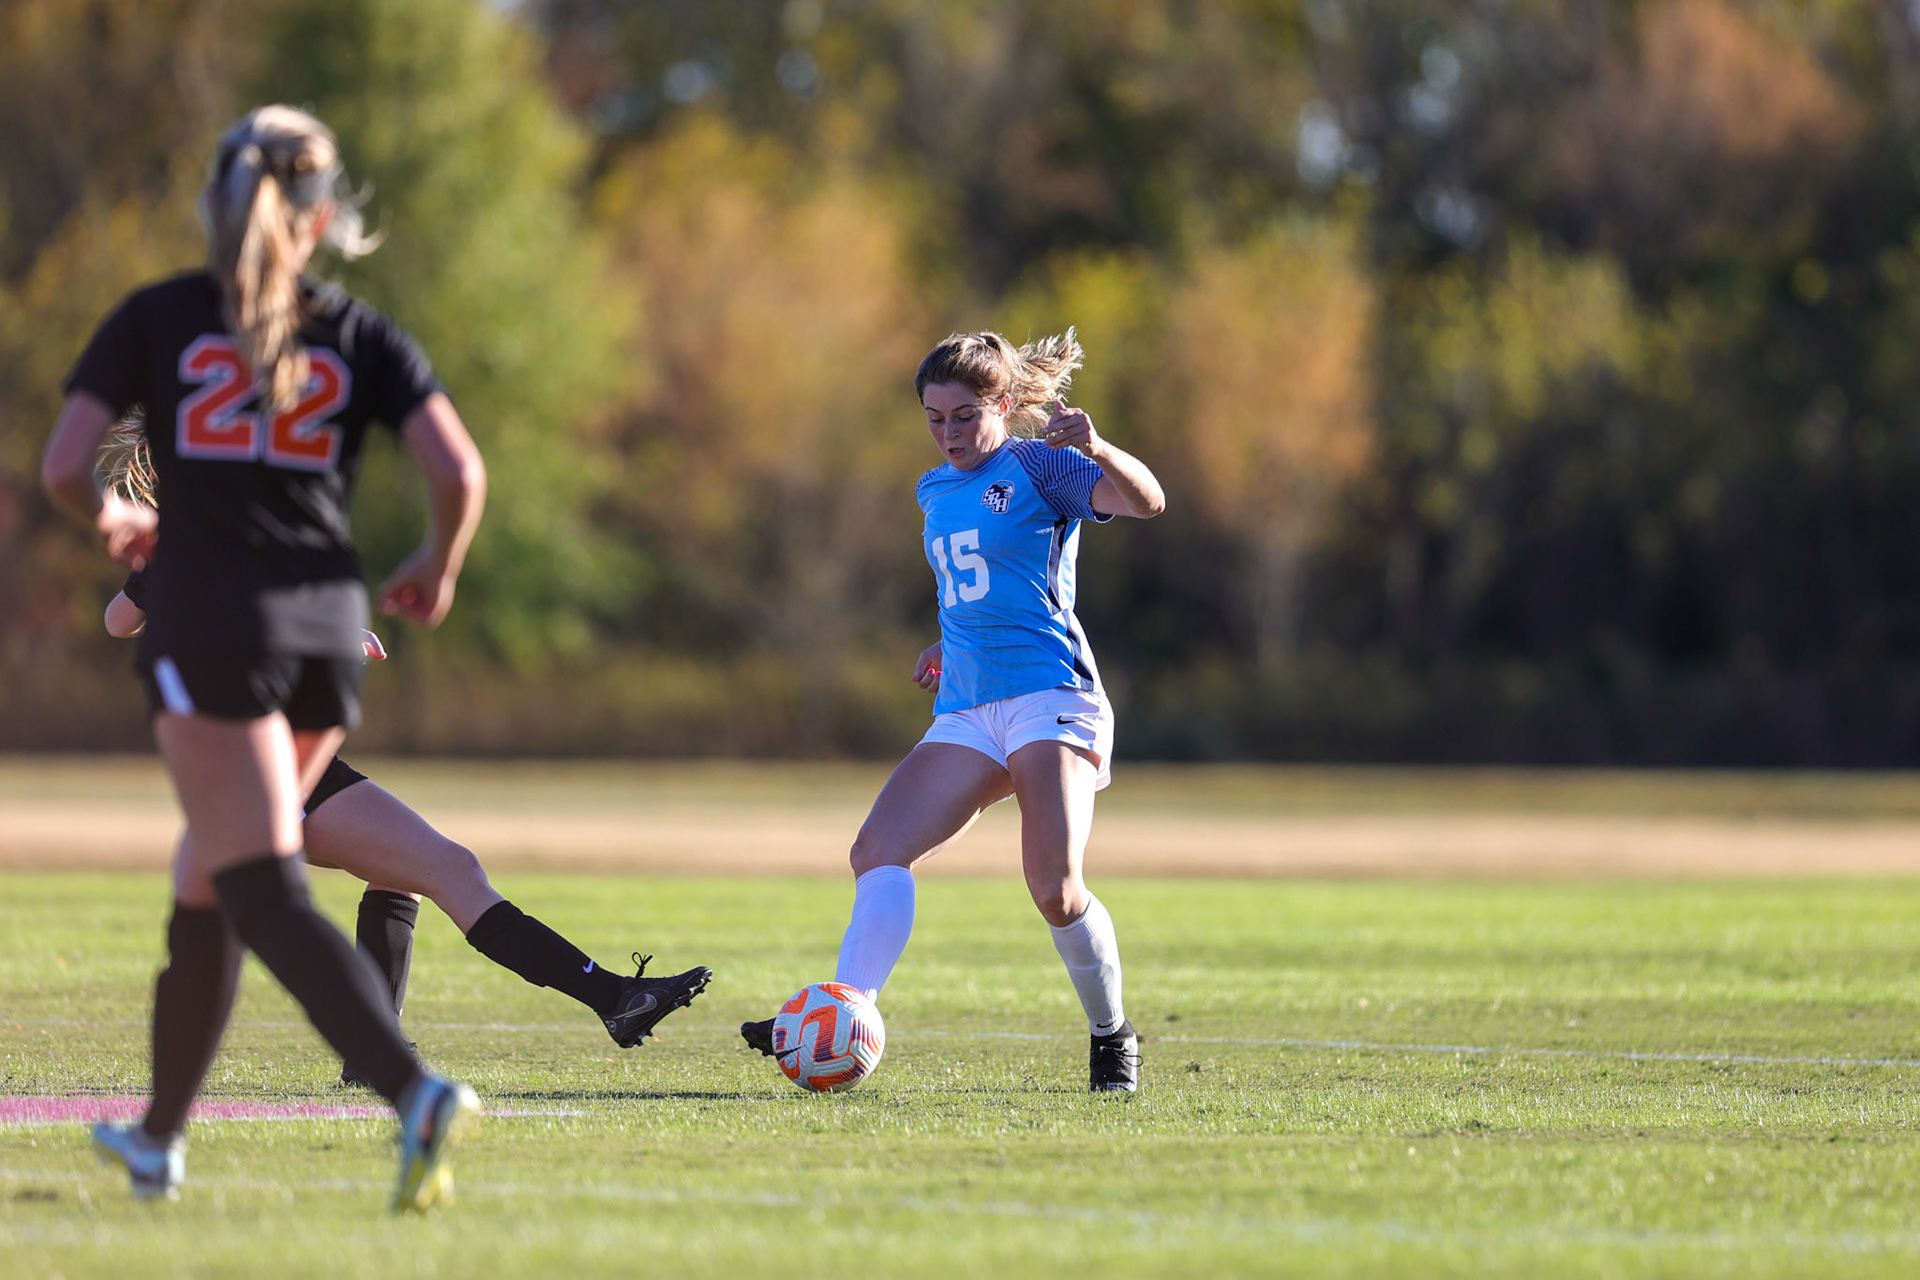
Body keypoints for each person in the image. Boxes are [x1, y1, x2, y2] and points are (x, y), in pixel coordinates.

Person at [41, 106, 484, 1210]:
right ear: (327, 217)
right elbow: (458, 471)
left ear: (214, 204)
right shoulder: (359, 330)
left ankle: (411, 1088)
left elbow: (62, 465)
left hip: (211, 626)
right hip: (332, 630)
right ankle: (156, 1135)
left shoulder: (157, 316)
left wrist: (108, 522)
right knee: (209, 875)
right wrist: (438, 560)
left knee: (255, 877)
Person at [102, 541, 712, 1072]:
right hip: (262, 761)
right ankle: (611, 1001)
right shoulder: (216, 530)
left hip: (288, 756)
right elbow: (147, 619)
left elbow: (124, 619)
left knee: (424, 872)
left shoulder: (233, 525)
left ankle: (380, 1048)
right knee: (440, 871)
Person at [741, 329, 1165, 1091]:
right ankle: (843, 1014)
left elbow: (1147, 503)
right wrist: (946, 639)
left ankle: (1112, 1035)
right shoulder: (932, 489)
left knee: (1055, 889)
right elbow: (978, 580)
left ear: (1004, 404)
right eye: (935, 418)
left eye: (965, 416)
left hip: (1049, 694)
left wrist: (1100, 450)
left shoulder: (1043, 465)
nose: (949, 433)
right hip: (969, 705)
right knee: (875, 852)